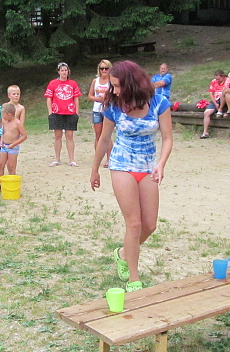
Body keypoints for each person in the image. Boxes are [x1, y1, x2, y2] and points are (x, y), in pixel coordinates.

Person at [90, 60, 173, 292]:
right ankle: (134, 278)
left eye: (118, 86)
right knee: (134, 224)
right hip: (121, 165)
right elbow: (104, 139)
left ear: (132, 83)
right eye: (113, 86)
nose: (114, 91)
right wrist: (95, 169)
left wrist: (161, 164)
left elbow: (167, 138)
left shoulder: (159, 103)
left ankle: (123, 253)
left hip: (148, 167)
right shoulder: (113, 106)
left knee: (150, 225)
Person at [45, 62, 82, 166]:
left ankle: (72, 159)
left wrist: (76, 112)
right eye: (62, 70)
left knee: (69, 136)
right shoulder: (53, 83)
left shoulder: (73, 83)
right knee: (58, 136)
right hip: (57, 112)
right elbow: (49, 98)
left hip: (70, 112)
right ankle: (57, 159)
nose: (64, 72)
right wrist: (50, 112)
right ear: (58, 72)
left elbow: (76, 98)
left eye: (66, 70)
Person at [88, 59, 112, 167]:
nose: (104, 70)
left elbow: (117, 94)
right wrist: (98, 99)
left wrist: (107, 98)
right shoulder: (95, 81)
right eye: (102, 68)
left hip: (108, 109)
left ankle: (109, 158)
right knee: (98, 134)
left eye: (106, 68)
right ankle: (98, 158)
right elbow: (90, 96)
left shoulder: (112, 80)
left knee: (107, 134)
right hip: (97, 109)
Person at [0, 102, 28, 179]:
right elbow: (3, 132)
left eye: (3, 114)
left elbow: (24, 136)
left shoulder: (18, 123)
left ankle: (12, 182)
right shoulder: (5, 122)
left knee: (11, 166)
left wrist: (14, 144)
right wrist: (1, 141)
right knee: (0, 165)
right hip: (4, 146)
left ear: (9, 115)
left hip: (13, 147)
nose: (2, 116)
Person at [200, 69, 230, 138]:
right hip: (215, 100)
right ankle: (205, 132)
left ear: (223, 76)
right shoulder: (213, 82)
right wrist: (215, 103)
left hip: (225, 99)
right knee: (206, 113)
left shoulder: (228, 80)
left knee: (223, 94)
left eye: (219, 79)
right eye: (216, 79)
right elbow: (211, 93)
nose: (217, 80)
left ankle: (220, 109)